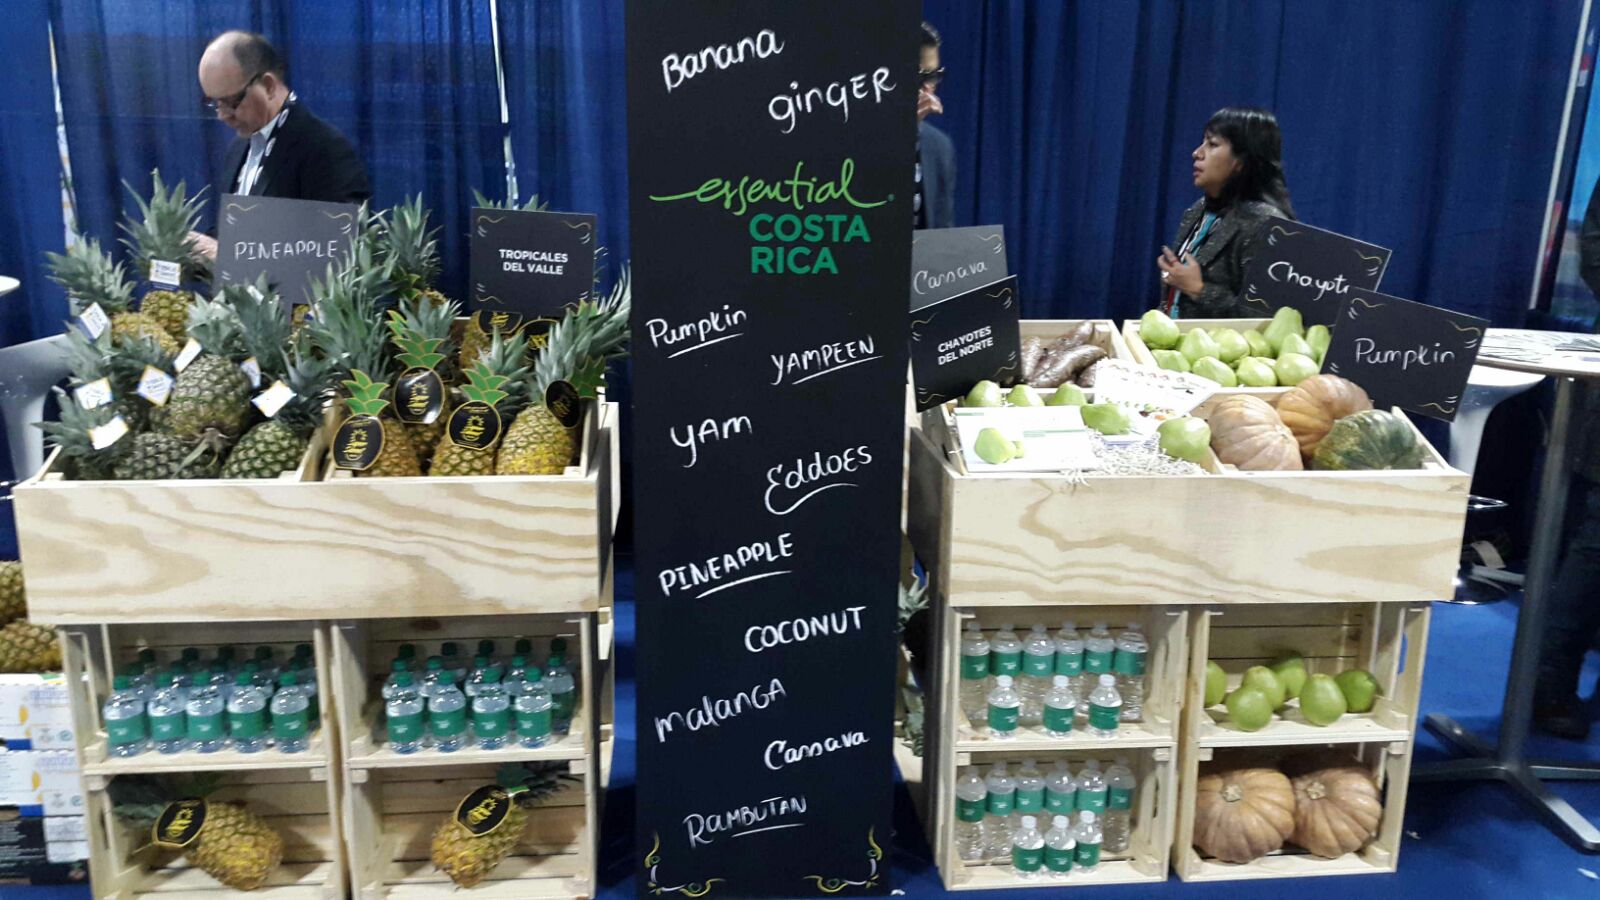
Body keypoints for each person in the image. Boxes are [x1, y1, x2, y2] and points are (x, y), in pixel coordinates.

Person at [189, 31, 371, 259]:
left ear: (268, 86)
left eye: (231, 102)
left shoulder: (325, 150)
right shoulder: (237, 149)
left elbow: (336, 250)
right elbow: (233, 235)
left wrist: (224, 255)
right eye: (214, 103)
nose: (222, 115)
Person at [1156, 107, 1295, 318]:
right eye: (1203, 142)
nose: (1197, 153)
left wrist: (1199, 290)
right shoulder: (1199, 209)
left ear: (1241, 161)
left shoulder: (1265, 224)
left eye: (1212, 144)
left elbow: (1265, 318)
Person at [916, 21, 955, 230]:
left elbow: (943, 234)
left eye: (933, 76)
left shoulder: (940, 147)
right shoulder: (856, 139)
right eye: (918, 76)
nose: (927, 88)